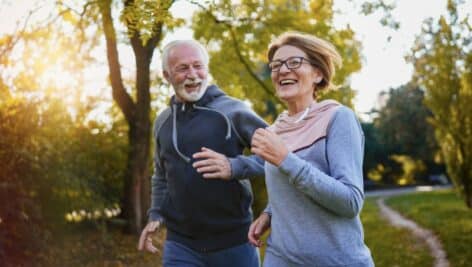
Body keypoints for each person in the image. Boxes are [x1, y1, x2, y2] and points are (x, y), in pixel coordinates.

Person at [248, 32, 375, 266]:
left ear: (318, 74)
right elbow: (289, 188)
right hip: (280, 258)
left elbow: (350, 202)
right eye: (276, 65)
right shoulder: (275, 130)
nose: (283, 70)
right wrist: (270, 213)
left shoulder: (338, 118)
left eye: (294, 62)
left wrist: (286, 159)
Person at [137, 39, 267, 267]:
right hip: (181, 246)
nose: (192, 74)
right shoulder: (163, 121)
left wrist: (234, 166)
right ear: (167, 76)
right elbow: (161, 175)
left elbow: (278, 156)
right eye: (183, 68)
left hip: (234, 243)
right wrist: (156, 214)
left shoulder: (233, 111)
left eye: (198, 66)